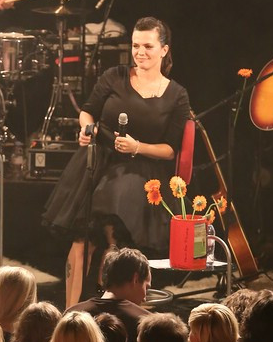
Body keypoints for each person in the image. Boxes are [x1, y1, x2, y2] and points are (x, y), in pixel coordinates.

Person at [43, 16, 191, 307]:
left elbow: (171, 150)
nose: (140, 52)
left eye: (148, 46)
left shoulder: (176, 94)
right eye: (135, 45)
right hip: (101, 159)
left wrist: (138, 147)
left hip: (141, 166)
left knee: (114, 222)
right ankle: (71, 312)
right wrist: (86, 129)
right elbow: (87, 111)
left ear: (164, 50)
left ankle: (106, 308)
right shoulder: (114, 76)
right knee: (82, 236)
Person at [66, 247, 151, 342]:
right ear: (135, 279)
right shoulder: (146, 323)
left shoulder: (72, 315)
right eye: (146, 288)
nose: (145, 298)